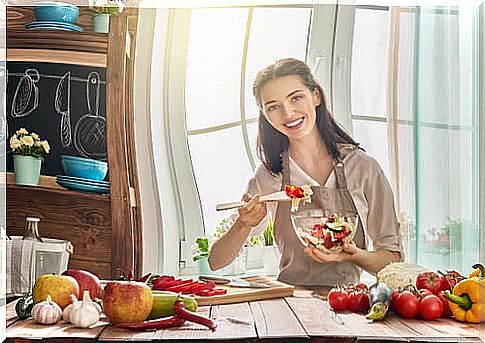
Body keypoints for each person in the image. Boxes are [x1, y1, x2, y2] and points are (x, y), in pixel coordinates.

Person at [209, 58, 403, 287]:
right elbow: (217, 261)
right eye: (273, 106)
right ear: (265, 115)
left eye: (296, 98)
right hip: (289, 304)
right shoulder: (269, 175)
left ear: (316, 96)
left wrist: (353, 254)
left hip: (350, 302)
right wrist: (243, 224)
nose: (288, 113)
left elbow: (393, 261)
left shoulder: (361, 167)